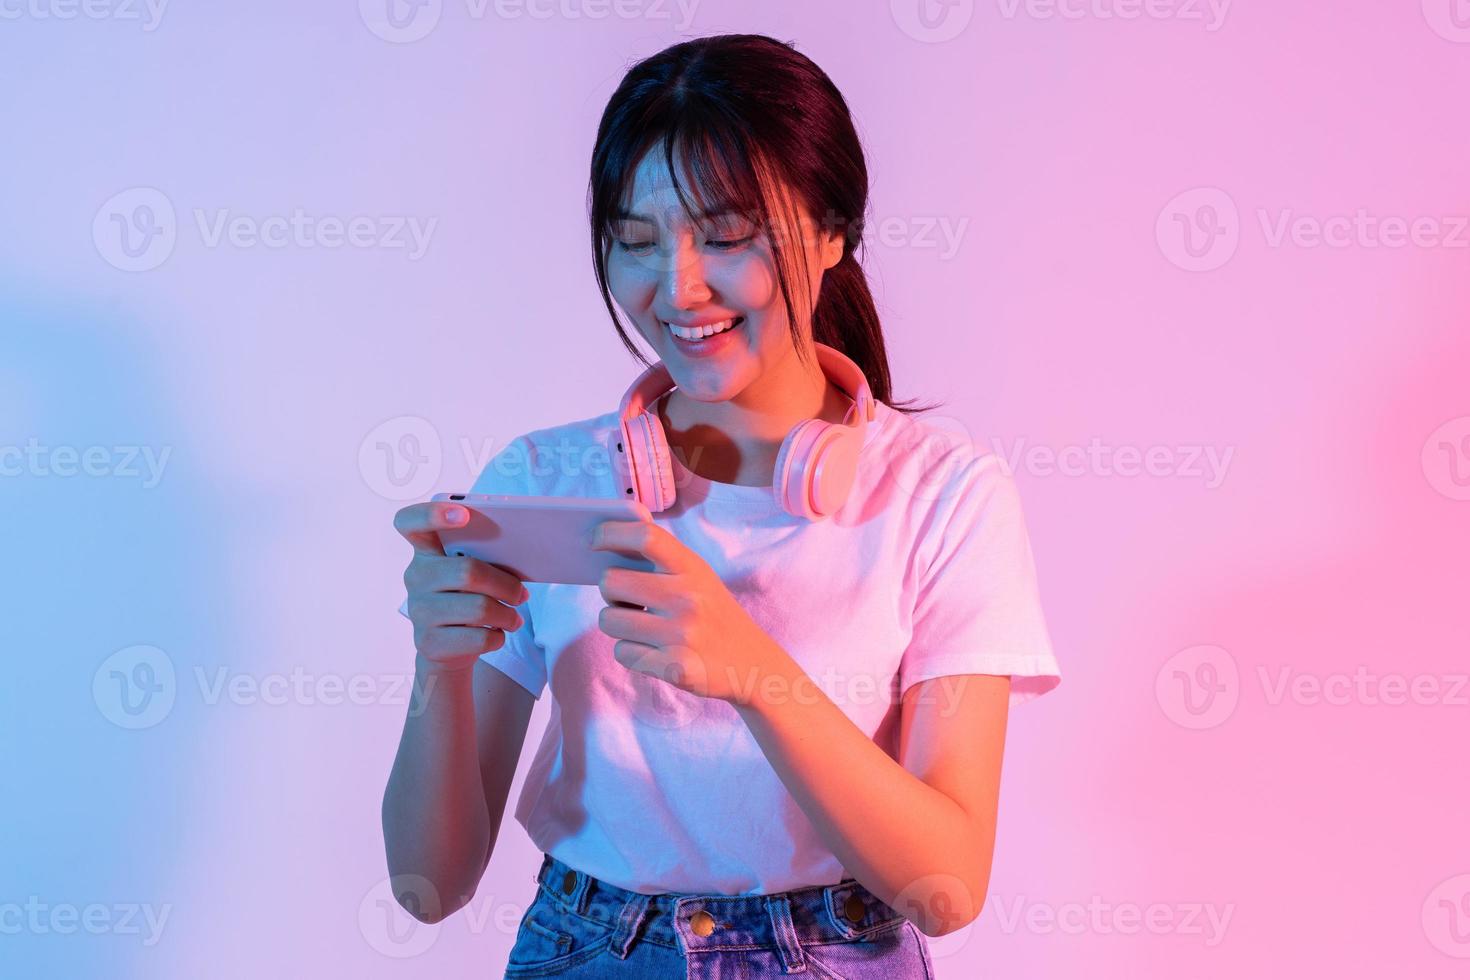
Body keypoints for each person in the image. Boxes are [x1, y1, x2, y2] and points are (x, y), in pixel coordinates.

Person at [382, 33, 1061, 978]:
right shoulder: (546, 480)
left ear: (831, 232)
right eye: (635, 240)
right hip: (587, 951)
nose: (679, 286)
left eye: (729, 235)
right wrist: (438, 668)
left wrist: (752, 670)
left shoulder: (944, 491)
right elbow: (427, 886)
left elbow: (946, 887)